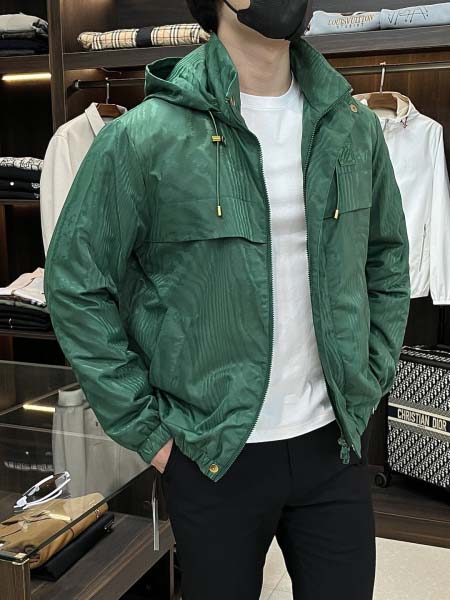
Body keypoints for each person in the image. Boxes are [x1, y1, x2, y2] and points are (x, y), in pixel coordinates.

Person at [44, 1, 411, 598]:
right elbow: (76, 283)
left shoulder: (352, 125)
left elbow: (387, 259)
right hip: (211, 453)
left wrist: (368, 378)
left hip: (332, 446)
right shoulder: (145, 136)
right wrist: (150, 434)